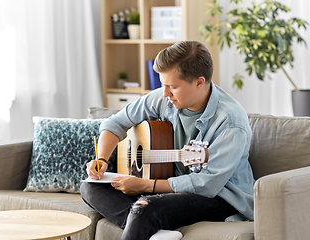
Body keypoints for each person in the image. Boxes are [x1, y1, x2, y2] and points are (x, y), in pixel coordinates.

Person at [80, 40, 255, 240]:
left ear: (199, 82)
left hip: (219, 197)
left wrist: (146, 186)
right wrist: (101, 159)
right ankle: (156, 231)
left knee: (145, 208)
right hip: (168, 189)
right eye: (163, 85)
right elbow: (116, 123)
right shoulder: (165, 99)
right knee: (91, 186)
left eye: (172, 86)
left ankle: (146, 221)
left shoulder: (231, 121)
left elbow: (208, 184)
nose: (165, 93)